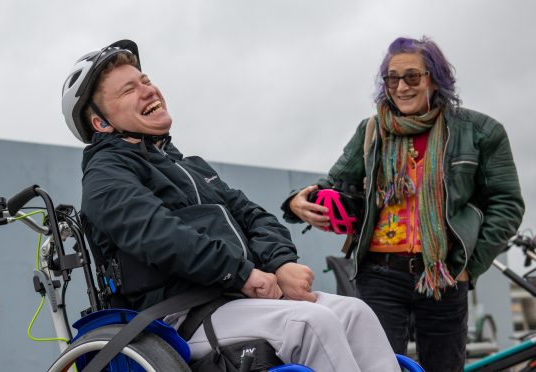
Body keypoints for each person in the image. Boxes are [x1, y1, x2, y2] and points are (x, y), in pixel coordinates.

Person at [61, 39, 400, 372]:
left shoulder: (191, 166)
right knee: (311, 324)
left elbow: (253, 216)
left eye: (145, 80)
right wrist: (242, 274)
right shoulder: (105, 174)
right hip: (177, 317)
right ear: (101, 123)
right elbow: (160, 235)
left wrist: (280, 262)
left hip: (237, 299)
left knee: (356, 313)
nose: (148, 90)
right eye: (128, 90)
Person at [282, 36, 524, 372]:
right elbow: (334, 182)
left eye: (412, 77)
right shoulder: (372, 130)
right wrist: (298, 202)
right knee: (375, 366)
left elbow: (507, 204)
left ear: (436, 79)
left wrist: (469, 264)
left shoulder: (481, 131)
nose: (401, 87)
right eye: (392, 79)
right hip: (379, 273)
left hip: (444, 274)